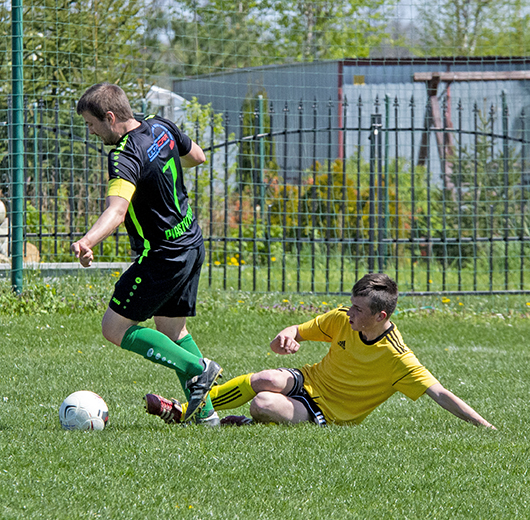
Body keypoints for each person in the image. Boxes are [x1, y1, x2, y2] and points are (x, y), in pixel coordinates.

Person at [145, 273, 496, 429]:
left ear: (381, 316)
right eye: (352, 305)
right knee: (265, 377)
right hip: (310, 379)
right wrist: (286, 336)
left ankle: (235, 421)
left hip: (329, 412)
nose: (350, 313)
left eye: (359, 310)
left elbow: (440, 393)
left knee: (262, 403)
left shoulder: (398, 358)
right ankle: (191, 412)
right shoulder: (344, 319)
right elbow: (297, 330)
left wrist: (484, 426)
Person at [71, 82, 222, 425]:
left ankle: (198, 368)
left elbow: (117, 211)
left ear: (110, 117)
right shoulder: (160, 125)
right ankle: (208, 417)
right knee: (172, 330)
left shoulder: (124, 155)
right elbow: (197, 156)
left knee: (114, 328)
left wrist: (88, 241)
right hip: (190, 242)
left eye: (91, 124)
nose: (91, 131)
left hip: (162, 256)